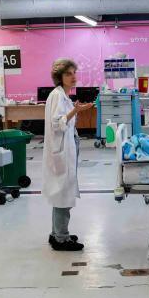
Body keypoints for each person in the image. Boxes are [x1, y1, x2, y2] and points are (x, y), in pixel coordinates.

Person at [42, 58, 93, 252]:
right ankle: (61, 238)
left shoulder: (63, 95)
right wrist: (75, 111)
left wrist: (76, 109)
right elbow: (57, 124)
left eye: (74, 73)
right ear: (59, 77)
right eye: (68, 74)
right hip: (61, 152)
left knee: (62, 192)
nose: (73, 77)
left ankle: (58, 232)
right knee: (62, 194)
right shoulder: (57, 95)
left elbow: (65, 121)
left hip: (66, 148)